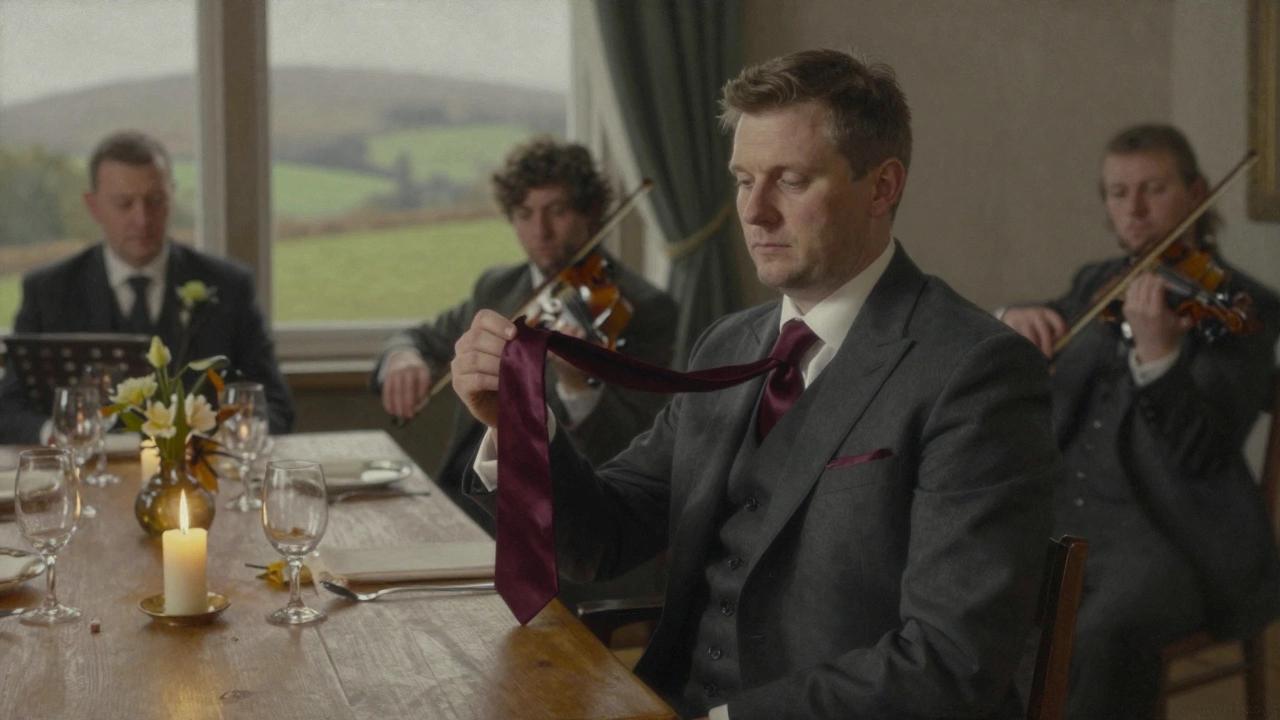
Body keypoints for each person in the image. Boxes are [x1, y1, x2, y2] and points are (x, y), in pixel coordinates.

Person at [454, 49, 1060, 720]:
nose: (756, 211)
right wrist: (518, 423)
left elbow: (951, 660)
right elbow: (605, 537)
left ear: (883, 186)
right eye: (743, 179)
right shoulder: (730, 343)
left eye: (790, 180)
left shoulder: (977, 372)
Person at [999, 124, 1280, 719]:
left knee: (1101, 633)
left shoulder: (1242, 309)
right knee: (974, 591)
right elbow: (1037, 324)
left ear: (1197, 192)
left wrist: (1161, 359)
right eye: (1118, 193)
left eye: (1152, 188)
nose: (1135, 209)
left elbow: (1204, 451)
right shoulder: (1095, 284)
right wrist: (1012, 317)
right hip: (1062, 521)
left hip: (1170, 536)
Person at [370, 138, 677, 603]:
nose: (541, 231)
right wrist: (404, 357)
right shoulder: (499, 286)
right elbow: (420, 336)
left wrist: (578, 386)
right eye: (525, 214)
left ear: (591, 211)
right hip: (469, 498)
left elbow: (631, 452)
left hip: (556, 528)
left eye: (557, 211)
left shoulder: (640, 308)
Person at [0, 130, 294, 443]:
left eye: (155, 201)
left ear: (171, 197)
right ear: (93, 205)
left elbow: (275, 406)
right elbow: (7, 410)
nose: (142, 219)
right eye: (124, 204)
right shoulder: (48, 291)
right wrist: (60, 434)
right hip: (84, 482)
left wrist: (218, 441)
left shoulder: (230, 286)